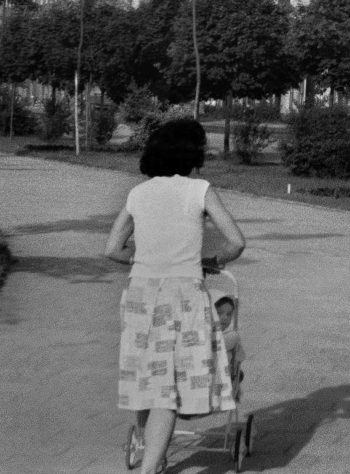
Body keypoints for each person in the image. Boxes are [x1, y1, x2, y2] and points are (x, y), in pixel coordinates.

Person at [105, 117, 245, 474]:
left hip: (141, 295)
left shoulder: (138, 193)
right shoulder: (199, 190)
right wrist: (215, 260)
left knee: (145, 382)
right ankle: (150, 469)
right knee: (167, 389)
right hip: (183, 297)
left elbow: (111, 249)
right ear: (191, 153)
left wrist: (144, 259)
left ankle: (152, 453)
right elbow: (236, 242)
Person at [214, 296, 247, 399]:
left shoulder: (230, 336)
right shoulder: (231, 336)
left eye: (229, 314)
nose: (225, 318)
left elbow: (240, 357)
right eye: (219, 313)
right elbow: (240, 357)